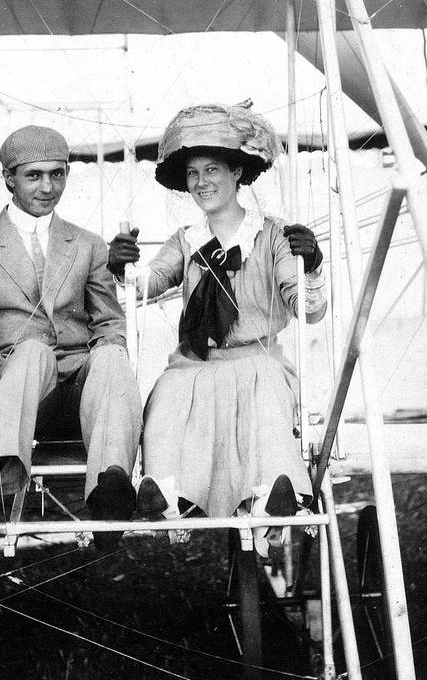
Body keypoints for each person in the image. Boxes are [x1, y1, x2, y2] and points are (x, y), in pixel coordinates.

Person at [108, 102, 326, 552]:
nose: (201, 182)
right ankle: (169, 497)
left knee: (266, 388)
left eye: (212, 169)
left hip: (256, 360)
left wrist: (311, 268)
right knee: (165, 394)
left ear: (236, 173)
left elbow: (307, 309)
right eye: (192, 174)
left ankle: (272, 495)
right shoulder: (185, 241)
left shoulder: (274, 235)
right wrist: (123, 269)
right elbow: (147, 286)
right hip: (196, 365)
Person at [0, 124, 141, 549]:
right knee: (33, 352)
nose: (48, 187)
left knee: (110, 355)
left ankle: (109, 493)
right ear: (8, 178)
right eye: (34, 175)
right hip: (7, 392)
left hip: (72, 400)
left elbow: (109, 323)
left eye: (58, 174)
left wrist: (108, 358)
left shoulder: (88, 246)